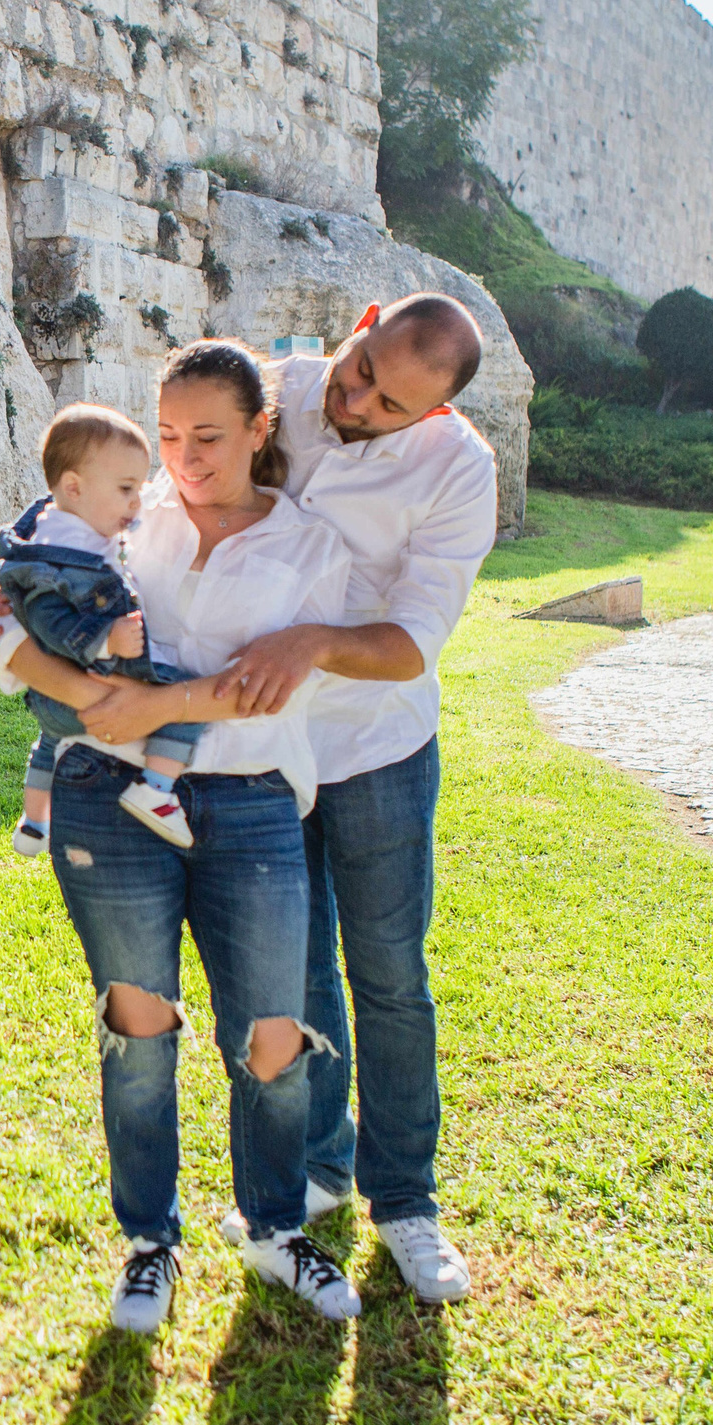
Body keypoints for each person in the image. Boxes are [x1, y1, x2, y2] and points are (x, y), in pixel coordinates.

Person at [0, 340, 372, 1335]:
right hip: (105, 798)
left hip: (251, 802)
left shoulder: (310, 547)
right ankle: (149, 1241)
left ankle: (275, 1227)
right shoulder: (119, 517)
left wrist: (152, 705)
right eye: (166, 437)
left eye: (207, 436)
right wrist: (74, 686)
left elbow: (272, 687)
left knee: (273, 1035)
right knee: (138, 1031)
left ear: (258, 429)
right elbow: (10, 633)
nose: (183, 459)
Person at [194, 295, 501, 1304]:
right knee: (292, 972)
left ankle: (405, 1199)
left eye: (389, 403)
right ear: (362, 324)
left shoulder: (459, 470)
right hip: (263, 749)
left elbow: (413, 641)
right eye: (362, 367)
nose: (356, 401)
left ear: (435, 413)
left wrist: (312, 643)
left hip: (377, 746)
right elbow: (169, 501)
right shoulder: (272, 391)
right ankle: (320, 1168)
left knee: (389, 975)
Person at [0, 403, 209, 854]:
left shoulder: (67, 534)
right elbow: (49, 621)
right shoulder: (62, 555)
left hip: (54, 696)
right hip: (88, 684)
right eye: (126, 489)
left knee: (49, 744)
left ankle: (34, 824)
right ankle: (156, 788)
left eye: (140, 489)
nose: (136, 503)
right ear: (74, 487)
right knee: (189, 698)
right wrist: (105, 640)